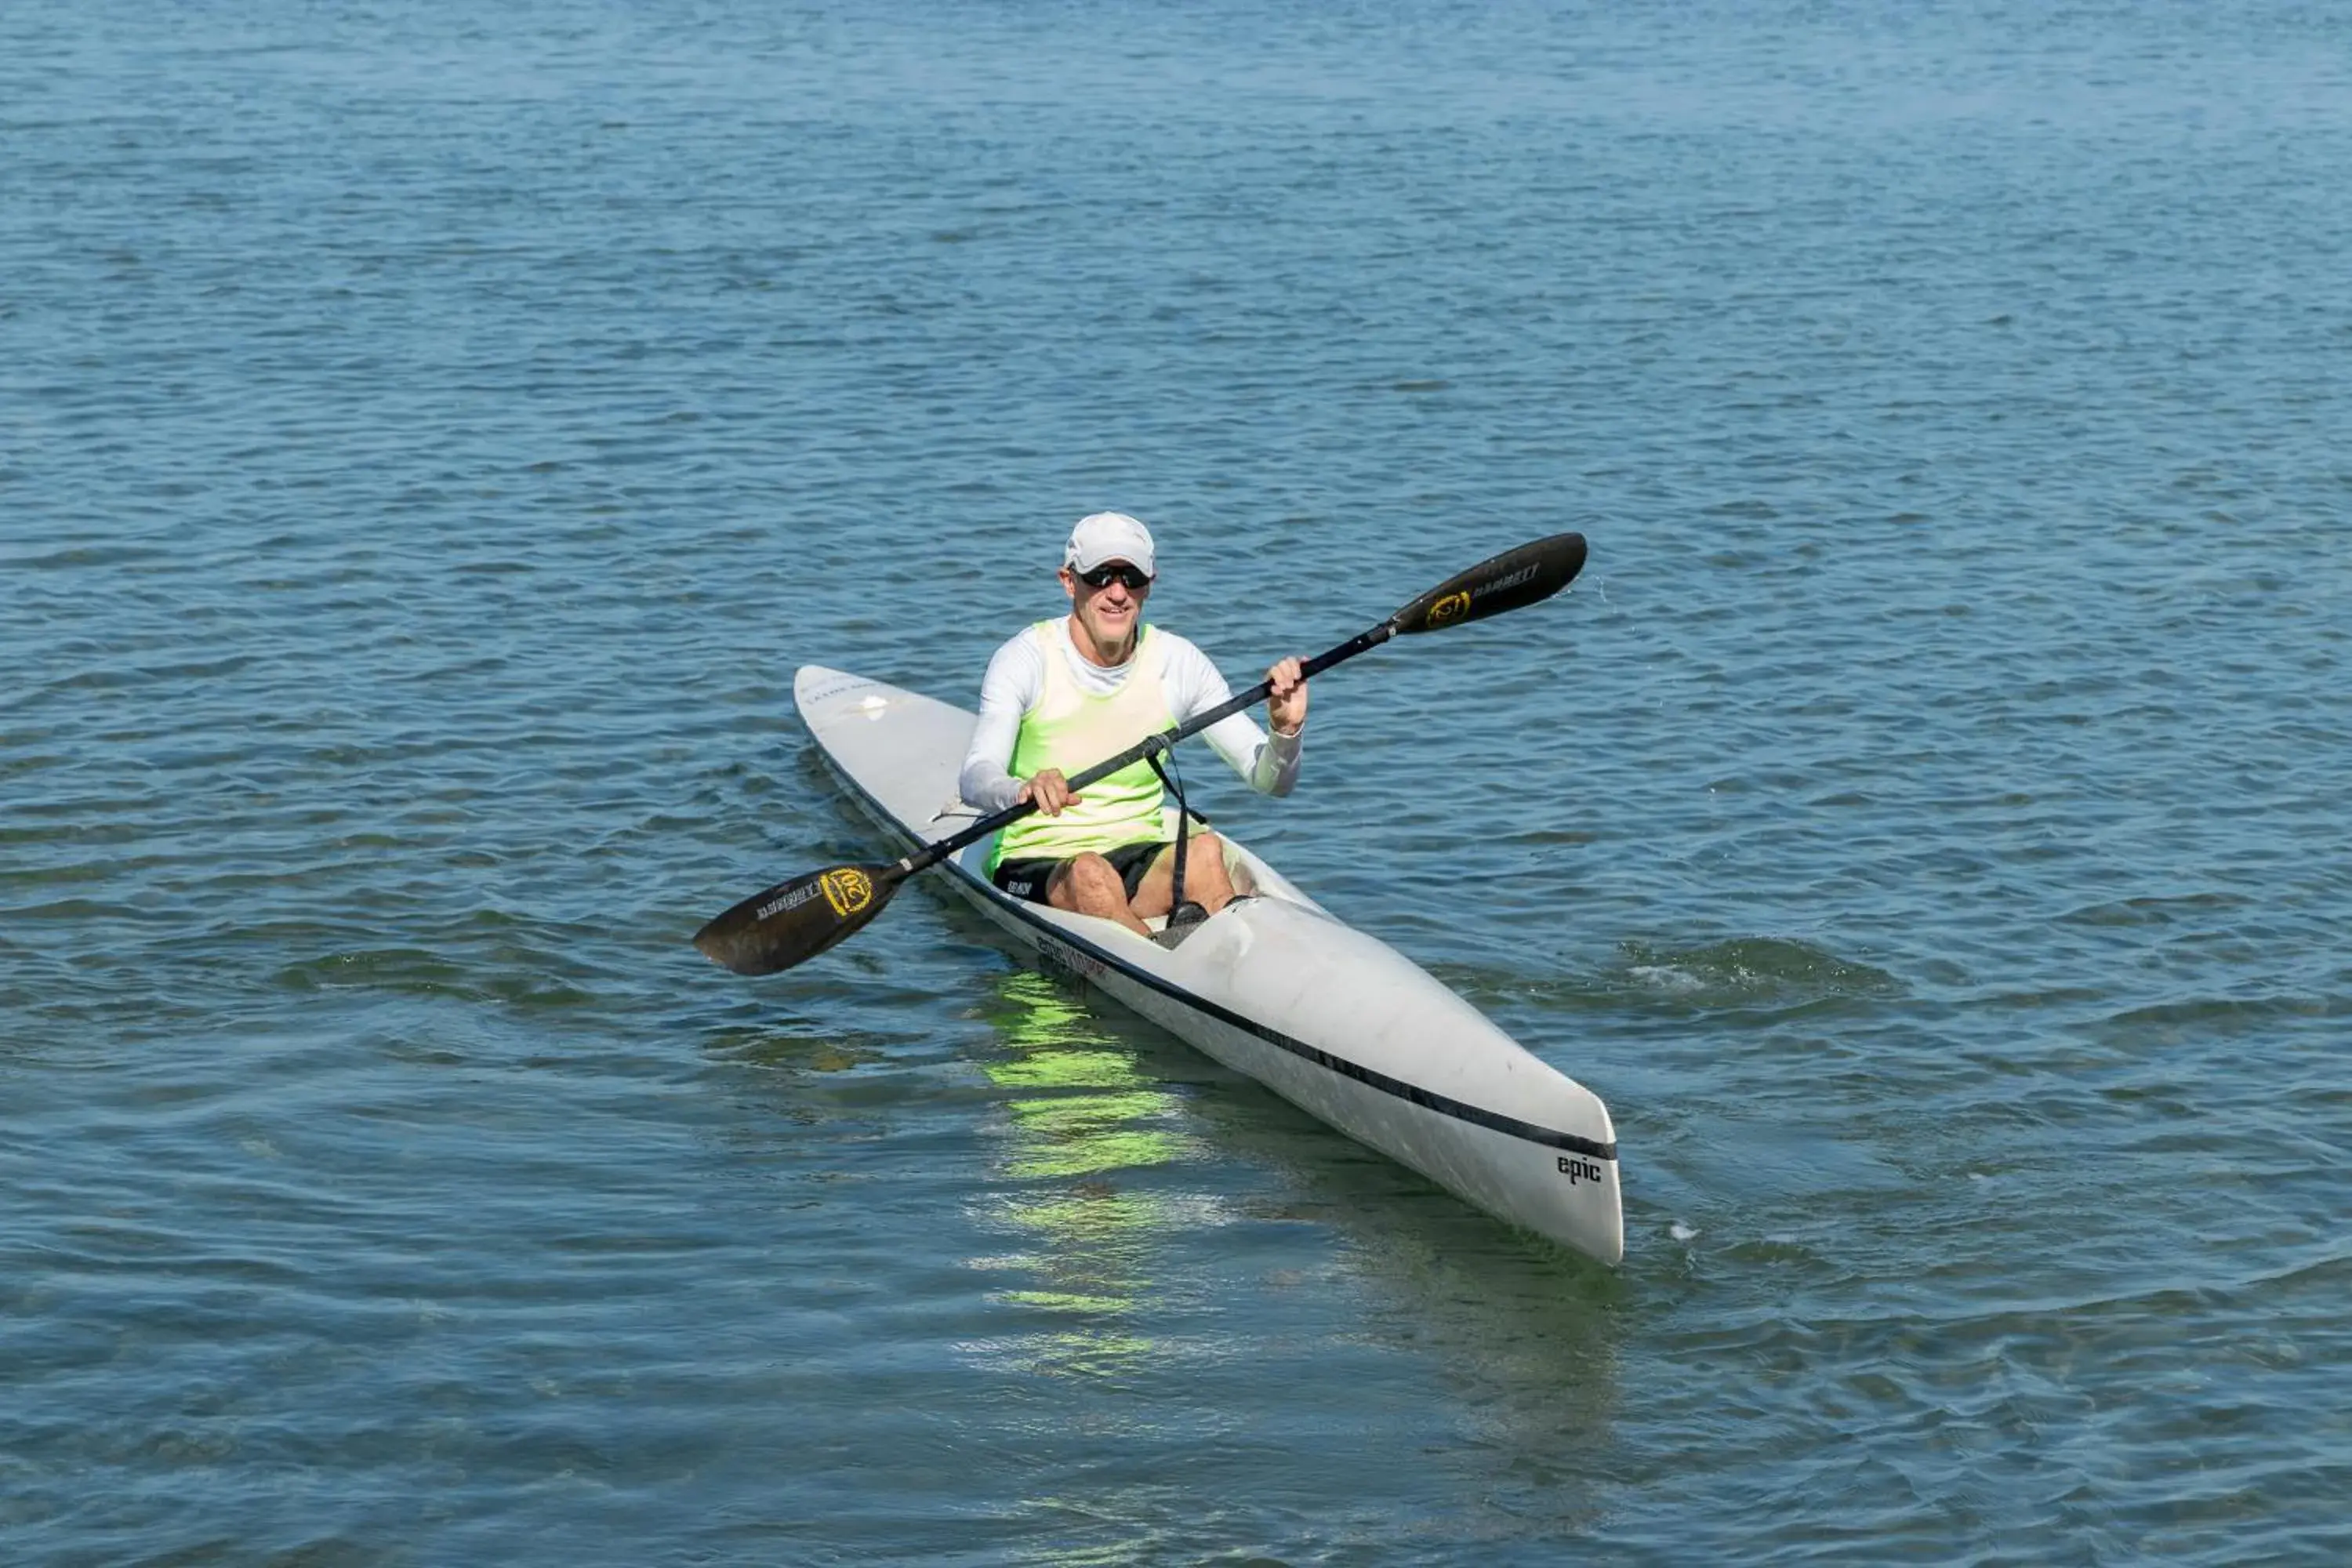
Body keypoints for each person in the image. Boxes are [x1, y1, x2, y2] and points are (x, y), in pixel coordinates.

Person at [957, 512, 1308, 939]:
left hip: (1136, 855)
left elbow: (1271, 782)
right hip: (1038, 861)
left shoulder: (1178, 663)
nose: (1118, 593)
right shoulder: (1025, 659)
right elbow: (976, 775)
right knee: (1090, 874)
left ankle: (1235, 965)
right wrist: (1022, 789)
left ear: (1150, 585)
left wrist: (1285, 732)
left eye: (1132, 577)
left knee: (1205, 852)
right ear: (1069, 581)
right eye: (1100, 576)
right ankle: (1167, 965)